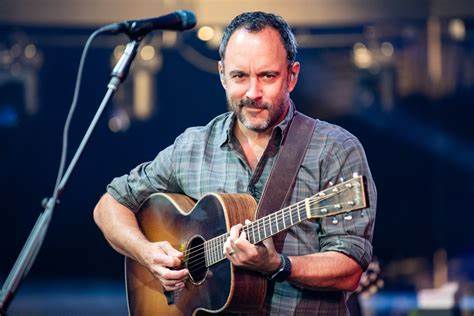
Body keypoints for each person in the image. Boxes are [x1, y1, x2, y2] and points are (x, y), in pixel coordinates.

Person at [93, 11, 377, 315]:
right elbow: (109, 205)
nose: (253, 93)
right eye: (240, 76)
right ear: (221, 74)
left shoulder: (334, 149)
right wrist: (147, 253)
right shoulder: (193, 146)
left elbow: (350, 268)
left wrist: (278, 265)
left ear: (292, 76)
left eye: (267, 76)